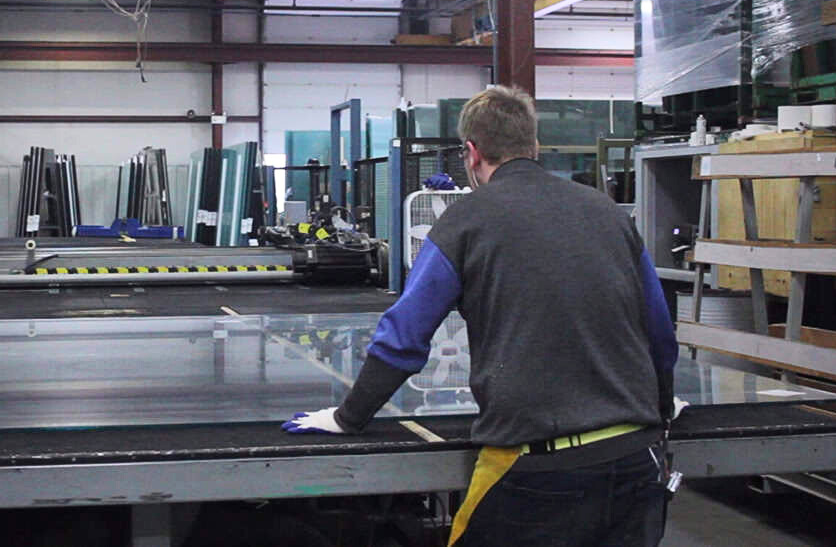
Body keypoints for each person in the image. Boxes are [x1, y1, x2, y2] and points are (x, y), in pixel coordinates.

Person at [283, 86, 678, 547]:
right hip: (637, 459)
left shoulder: (464, 221)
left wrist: (349, 418)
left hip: (538, 471)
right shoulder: (609, 213)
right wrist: (662, 410)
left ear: (471, 153)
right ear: (534, 146)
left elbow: (403, 337)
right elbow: (659, 334)